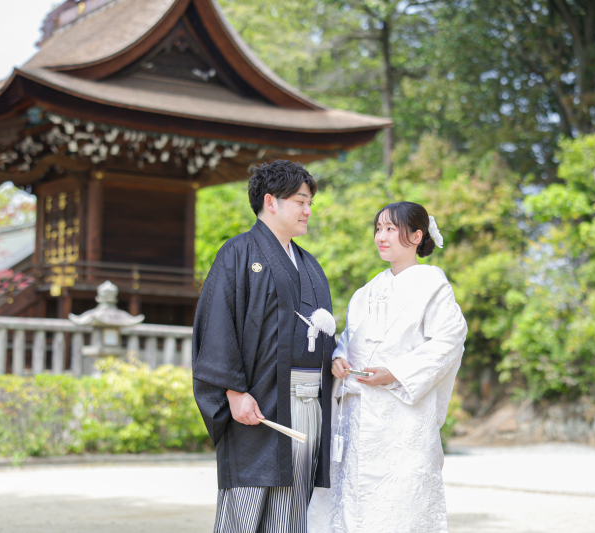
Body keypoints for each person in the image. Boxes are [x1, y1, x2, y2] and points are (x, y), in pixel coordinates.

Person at [192, 160, 336, 533]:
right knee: (247, 508)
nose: (308, 210)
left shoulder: (310, 265)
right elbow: (217, 324)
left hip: (306, 406)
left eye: (309, 203)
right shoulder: (237, 253)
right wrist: (234, 391)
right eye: (301, 201)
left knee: (292, 512)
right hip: (258, 404)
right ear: (270, 202)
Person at [308, 201, 468, 533]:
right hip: (360, 411)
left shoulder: (433, 285)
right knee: (355, 499)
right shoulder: (365, 292)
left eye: (391, 229)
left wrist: (395, 372)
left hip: (403, 413)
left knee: (401, 501)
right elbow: (348, 337)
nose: (382, 236)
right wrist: (339, 358)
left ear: (416, 236)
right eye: (378, 229)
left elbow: (449, 340)